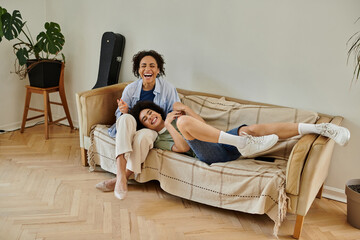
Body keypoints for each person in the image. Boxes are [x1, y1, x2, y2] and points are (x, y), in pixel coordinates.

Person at [129, 101, 350, 165]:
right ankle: (242, 143)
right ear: (146, 127)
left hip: (221, 140)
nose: (150, 117)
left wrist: (187, 109)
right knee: (185, 123)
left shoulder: (176, 116)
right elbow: (184, 148)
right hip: (207, 154)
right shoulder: (158, 138)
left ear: (155, 109)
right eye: (146, 120)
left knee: (250, 130)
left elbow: (205, 126)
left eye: (150, 112)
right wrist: (169, 124)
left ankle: (320, 128)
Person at [96, 50, 180, 200]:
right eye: (144, 66)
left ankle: (121, 179)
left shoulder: (168, 89)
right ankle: (121, 174)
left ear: (158, 69)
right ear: (138, 70)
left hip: (151, 129)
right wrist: (124, 111)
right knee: (125, 119)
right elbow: (118, 115)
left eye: (152, 66)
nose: (148, 69)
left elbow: (173, 113)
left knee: (144, 137)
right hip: (131, 126)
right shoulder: (131, 89)